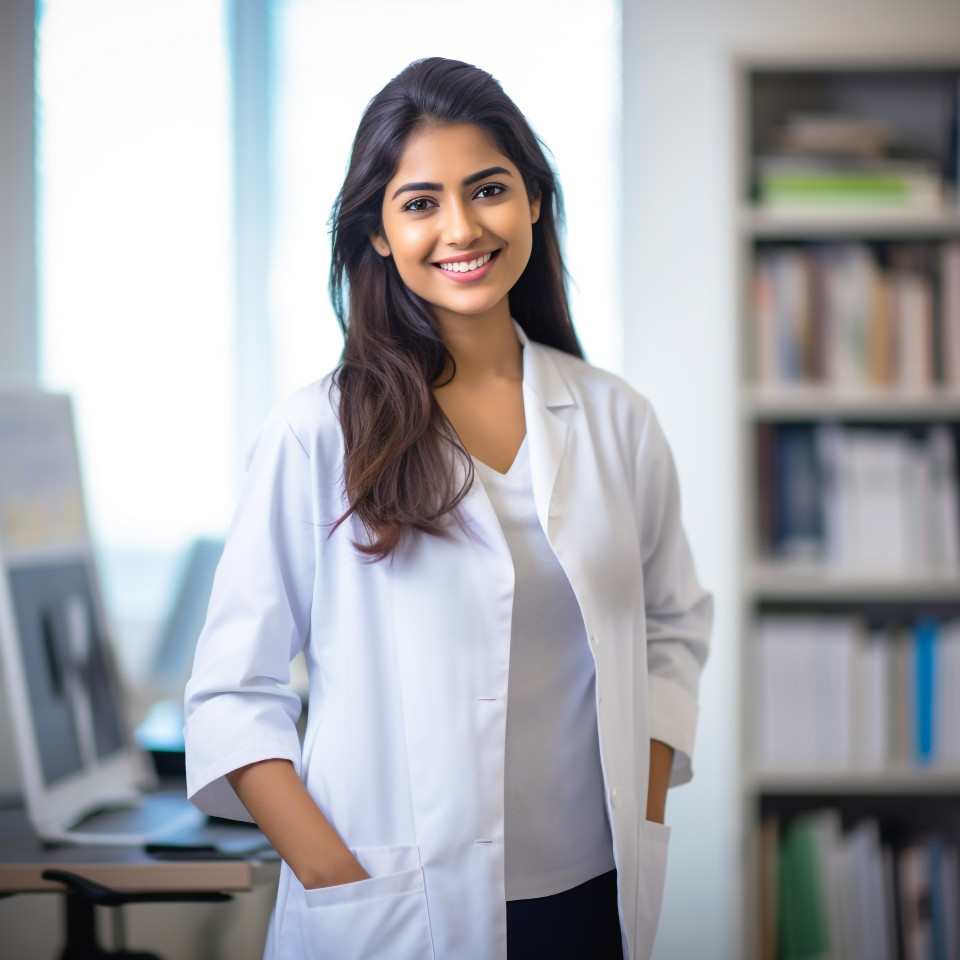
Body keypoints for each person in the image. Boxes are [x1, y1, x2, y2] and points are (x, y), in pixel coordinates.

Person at [184, 56, 712, 960]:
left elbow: (672, 626)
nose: (461, 228)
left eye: (488, 189)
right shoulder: (317, 434)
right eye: (420, 202)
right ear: (379, 232)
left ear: (534, 200)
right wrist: (333, 876)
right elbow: (234, 694)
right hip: (392, 916)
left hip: (591, 903)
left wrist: (646, 800)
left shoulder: (617, 420)